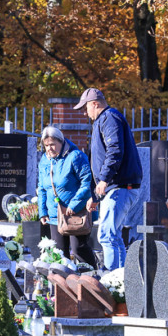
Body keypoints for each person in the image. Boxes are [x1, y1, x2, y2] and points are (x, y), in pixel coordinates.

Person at [75, 88, 142, 270]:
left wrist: (104, 179)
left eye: (85, 108)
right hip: (117, 187)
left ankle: (111, 277)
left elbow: (114, 150)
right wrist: (95, 196)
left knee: (106, 235)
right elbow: (97, 161)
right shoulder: (104, 120)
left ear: (95, 104)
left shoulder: (109, 118)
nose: (84, 113)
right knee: (114, 236)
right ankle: (121, 278)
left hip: (118, 186)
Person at [36, 126, 97, 269]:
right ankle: (63, 282)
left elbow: (87, 183)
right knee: (59, 254)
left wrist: (74, 205)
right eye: (46, 145)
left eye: (52, 144)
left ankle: (92, 277)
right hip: (54, 214)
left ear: (61, 142)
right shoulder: (44, 160)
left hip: (76, 213)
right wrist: (42, 211)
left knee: (79, 250)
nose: (49, 149)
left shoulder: (75, 156)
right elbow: (42, 187)